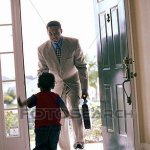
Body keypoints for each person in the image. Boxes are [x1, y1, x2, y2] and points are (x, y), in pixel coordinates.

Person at [37, 20, 88, 149]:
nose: (54, 36)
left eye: (56, 33)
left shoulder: (73, 43)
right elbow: (42, 71)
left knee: (74, 110)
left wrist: (85, 88)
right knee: (58, 115)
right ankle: (65, 147)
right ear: (47, 33)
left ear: (61, 31)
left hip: (73, 82)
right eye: (50, 34)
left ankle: (79, 143)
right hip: (56, 85)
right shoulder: (42, 49)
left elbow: (81, 67)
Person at [17, 72, 69, 150]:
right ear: (52, 85)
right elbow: (66, 111)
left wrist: (21, 103)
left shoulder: (37, 96)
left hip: (41, 127)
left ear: (39, 85)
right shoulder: (56, 97)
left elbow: (24, 103)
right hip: (55, 127)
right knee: (52, 147)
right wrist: (64, 115)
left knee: (40, 147)